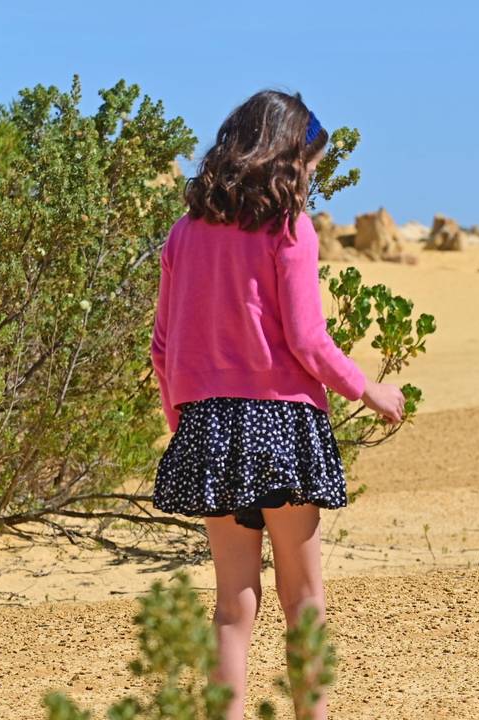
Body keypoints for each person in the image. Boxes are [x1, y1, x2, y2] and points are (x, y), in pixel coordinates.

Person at [150, 90, 404, 719]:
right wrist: (368, 389)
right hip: (281, 422)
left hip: (208, 423)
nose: (312, 178)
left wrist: (185, 422)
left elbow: (162, 347)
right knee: (303, 597)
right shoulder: (289, 228)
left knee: (234, 604)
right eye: (310, 165)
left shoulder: (185, 233)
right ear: (287, 158)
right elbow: (307, 339)